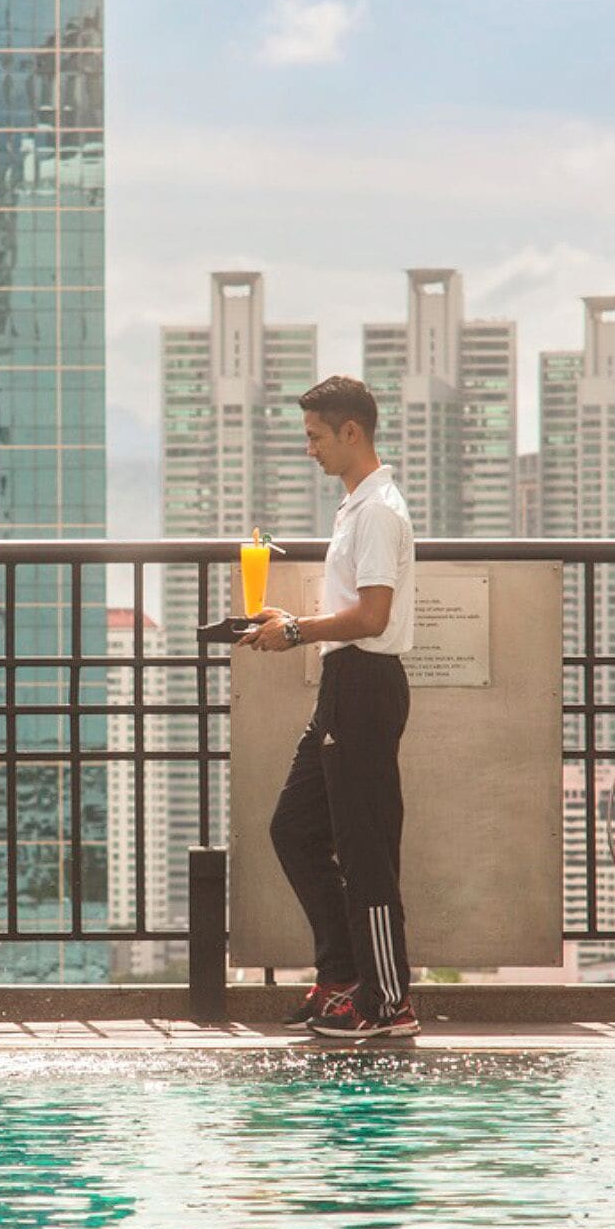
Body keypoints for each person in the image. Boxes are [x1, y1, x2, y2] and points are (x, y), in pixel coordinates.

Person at [242, 375, 418, 1040]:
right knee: (294, 826)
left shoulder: (376, 510)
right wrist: (298, 619)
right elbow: (355, 609)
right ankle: (343, 974)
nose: (308, 448)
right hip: (343, 684)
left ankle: (388, 1001)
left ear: (351, 432)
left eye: (316, 436)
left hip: (366, 686)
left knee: (367, 850)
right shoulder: (356, 505)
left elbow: (373, 616)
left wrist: (296, 632)